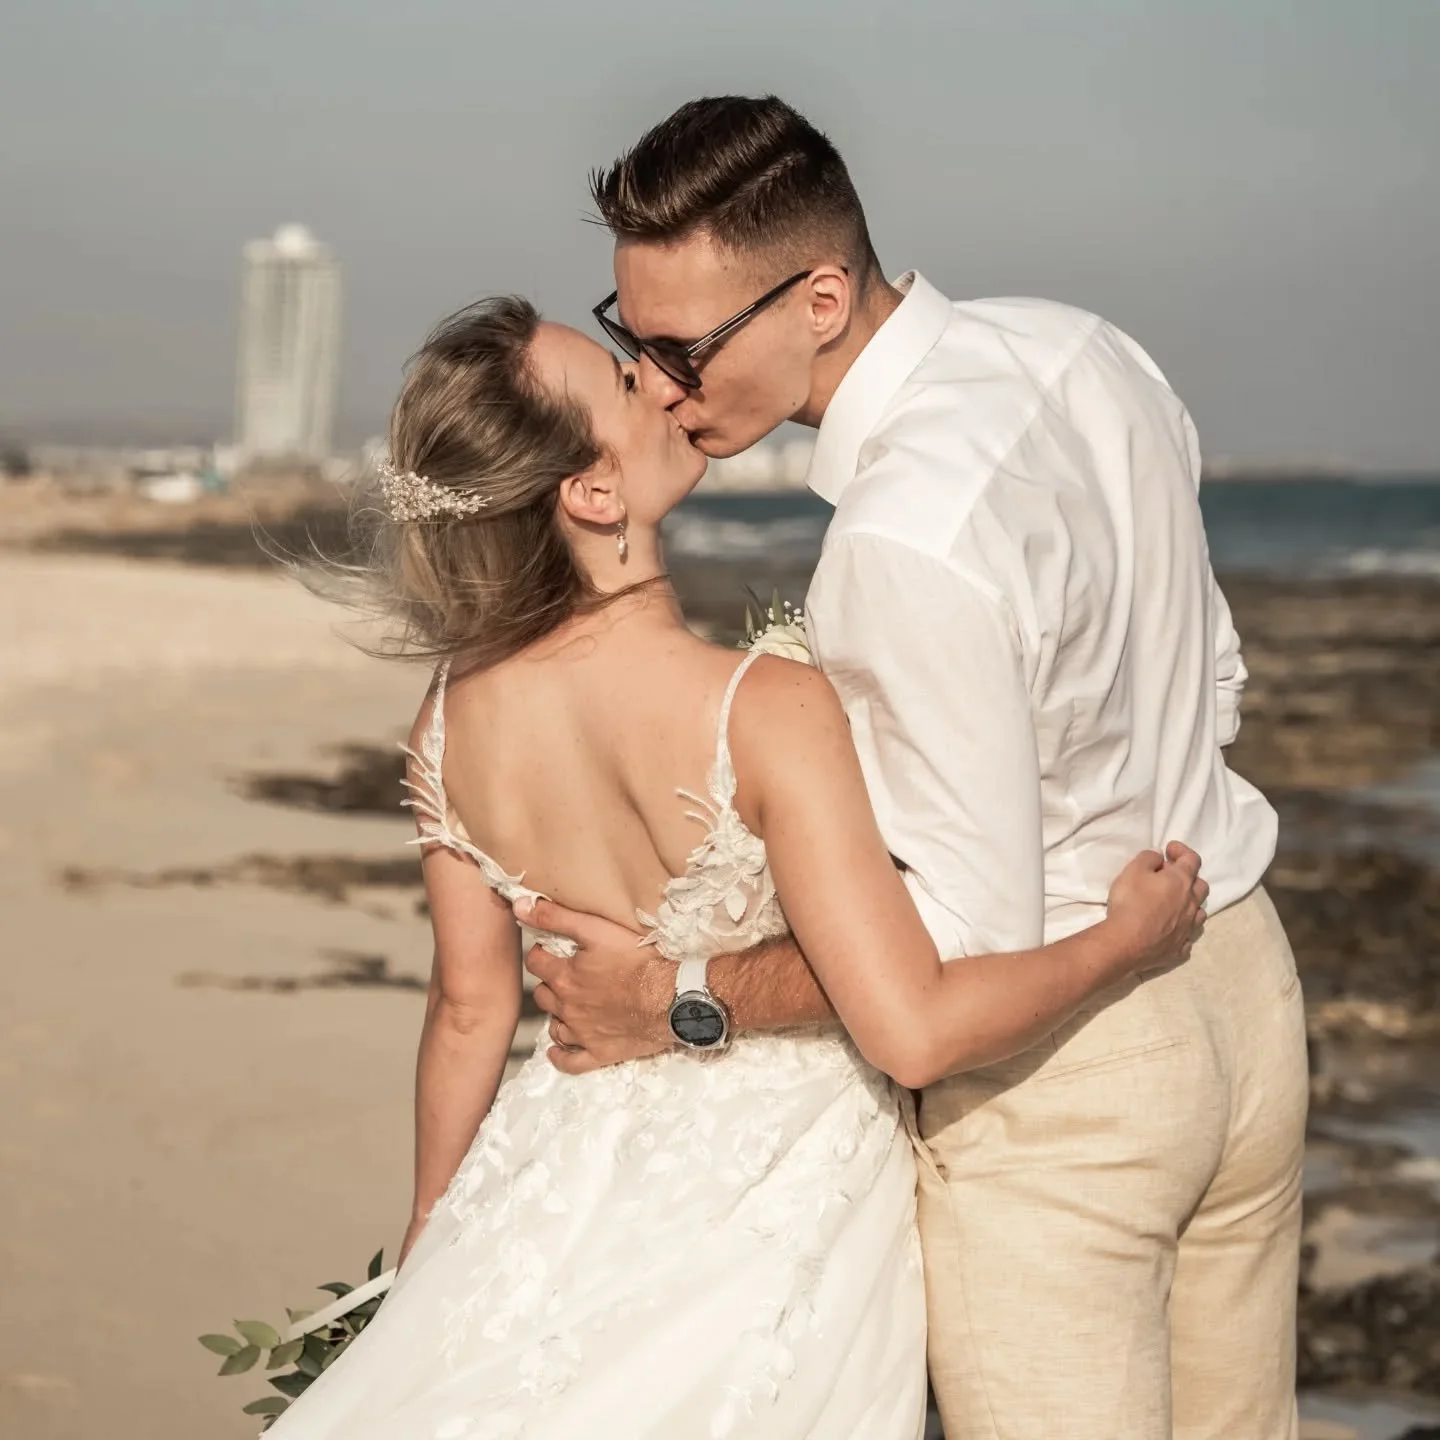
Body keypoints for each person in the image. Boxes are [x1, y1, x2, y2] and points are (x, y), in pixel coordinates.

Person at [265, 294, 1206, 1440]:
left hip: (556, 1178)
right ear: (592, 493)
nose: (664, 384)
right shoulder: (765, 709)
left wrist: (432, 1239)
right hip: (781, 1196)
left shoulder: (447, 723)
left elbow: (469, 1010)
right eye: (626, 382)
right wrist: (1124, 940)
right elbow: (914, 1027)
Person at [520, 95, 1310, 1440]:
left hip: (1066, 1073)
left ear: (821, 298)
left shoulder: (901, 537)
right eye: (629, 336)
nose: (656, 385)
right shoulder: (1083, 348)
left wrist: (677, 997)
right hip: (1244, 983)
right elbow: (1212, 675)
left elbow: (941, 968)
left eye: (681, 351)